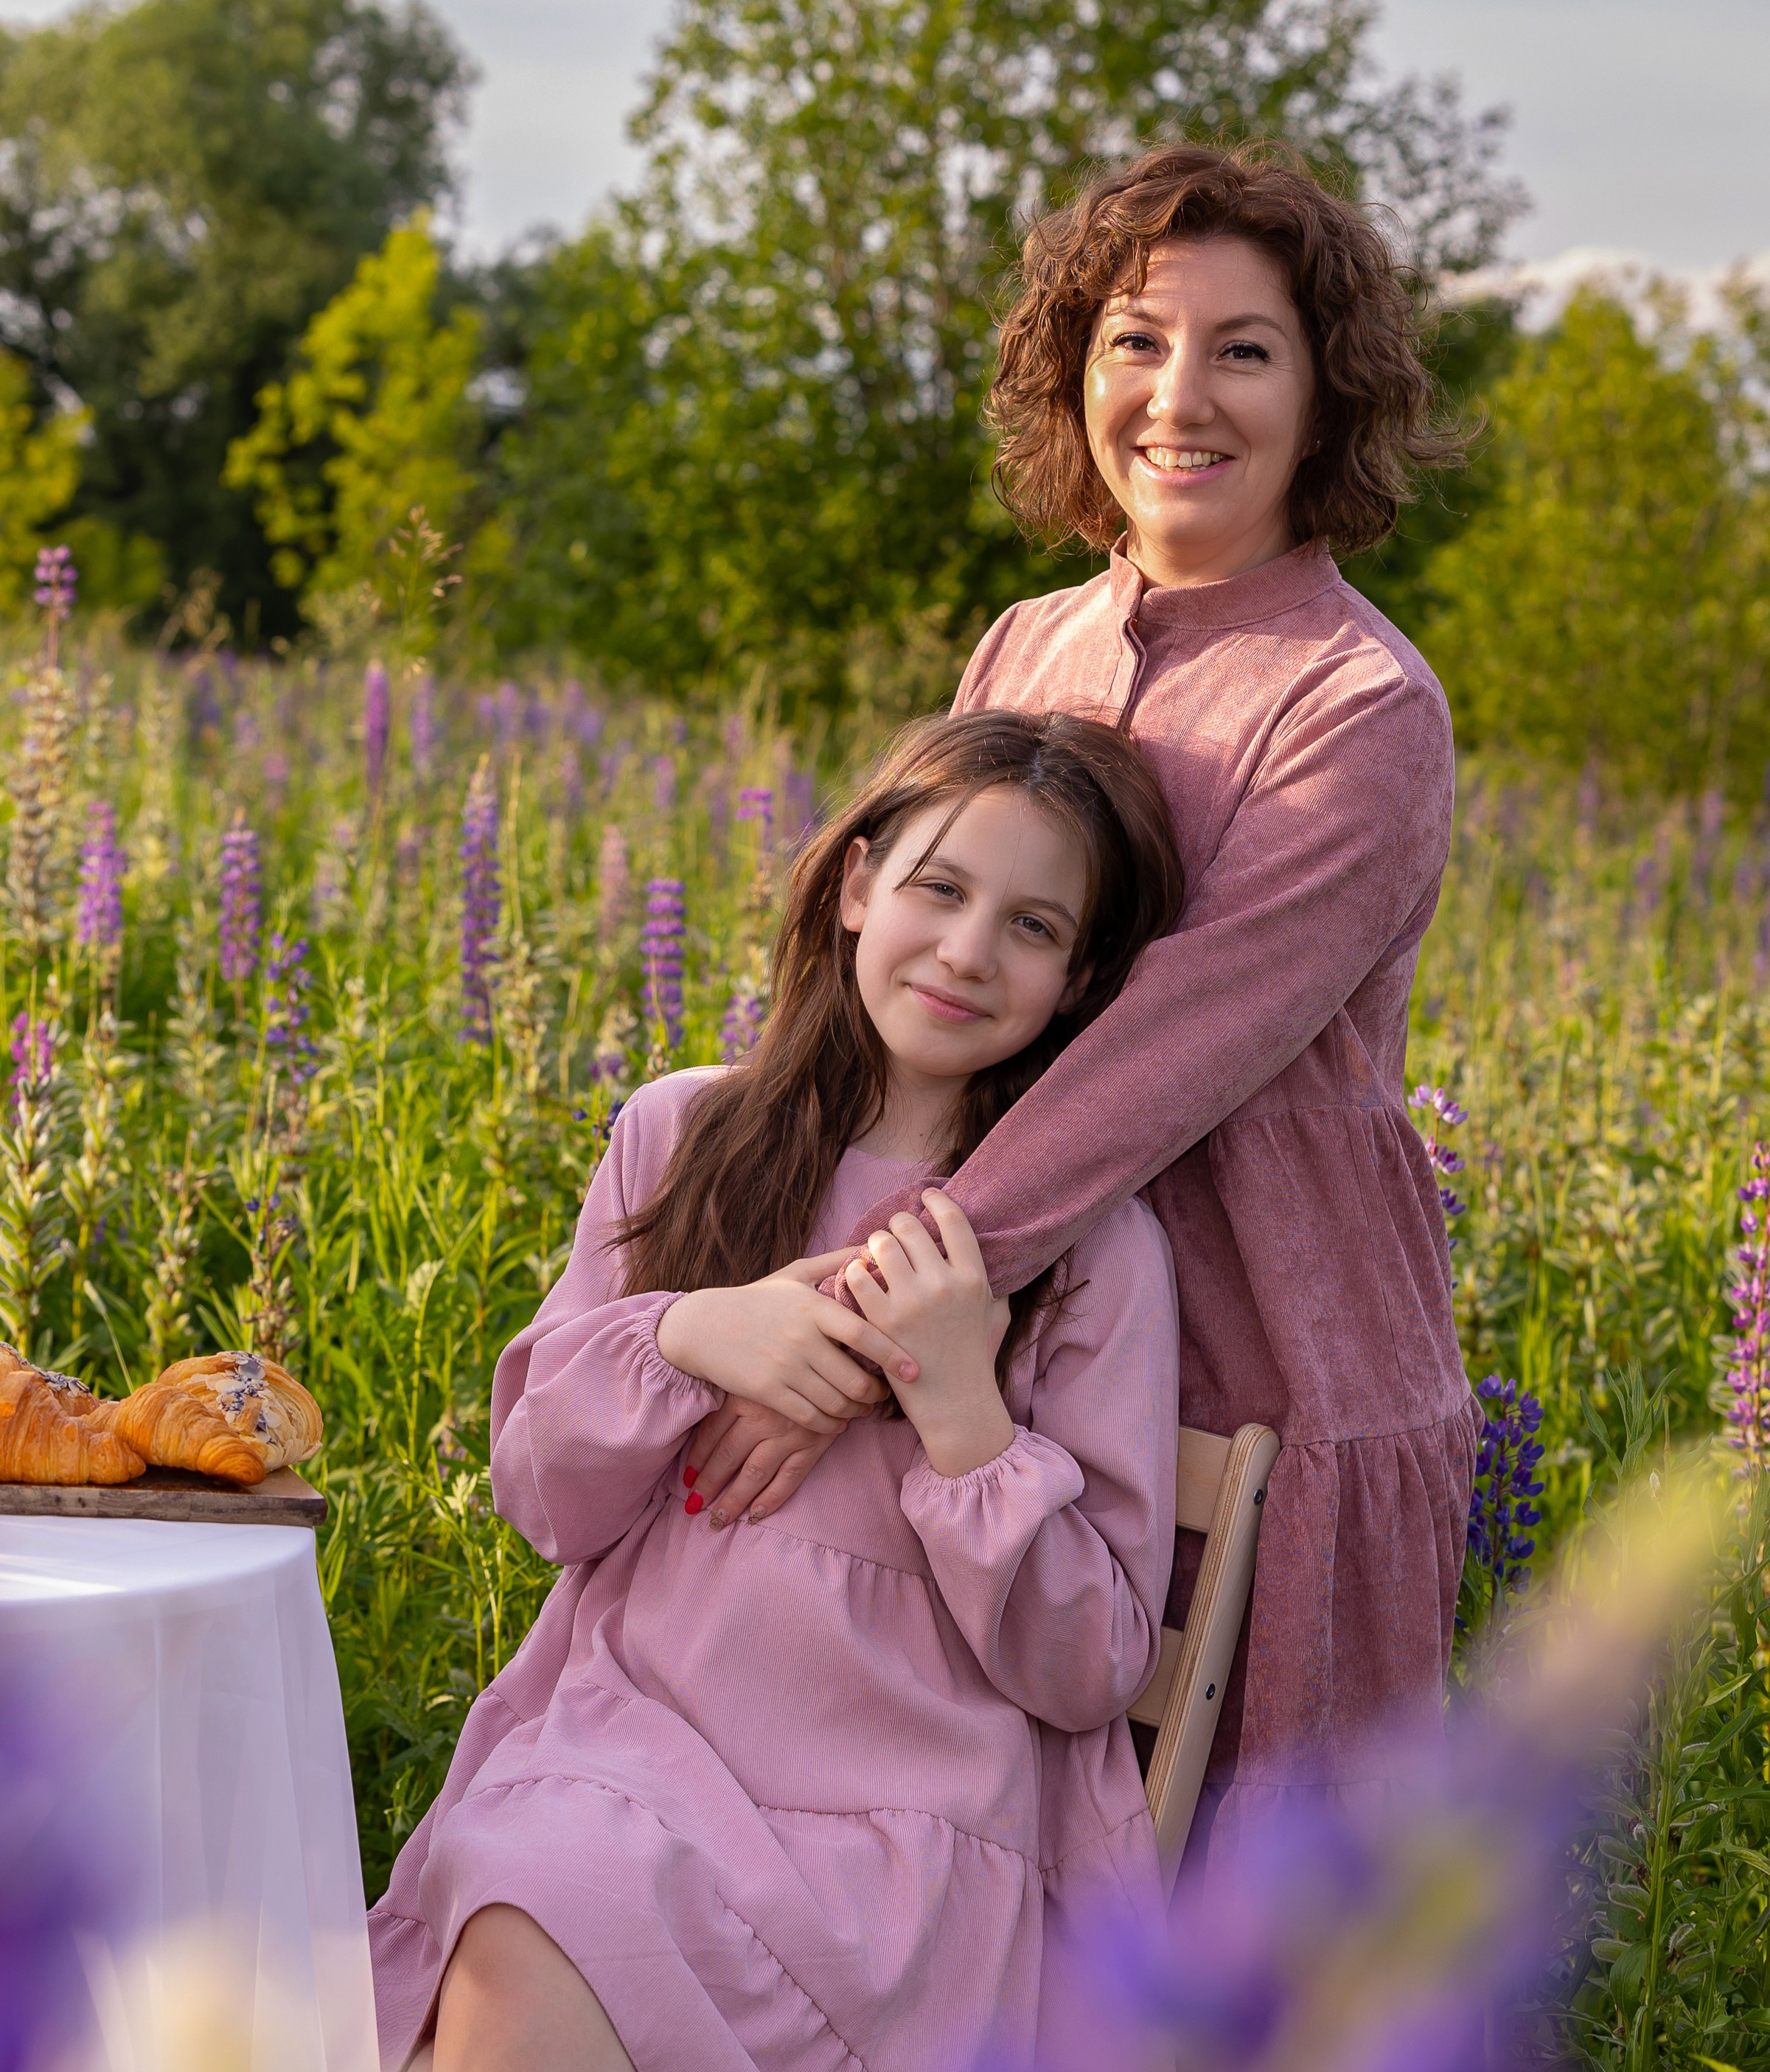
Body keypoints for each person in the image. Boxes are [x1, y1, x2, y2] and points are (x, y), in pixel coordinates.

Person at [687, 142, 1478, 1847]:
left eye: (1244, 349)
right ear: (1076, 369)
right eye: (1135, 338)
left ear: (1326, 392)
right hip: (984, 1335)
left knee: (1219, 1929)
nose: (1178, 396)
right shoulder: (1025, 641)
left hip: (1261, 1355)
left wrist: (850, 1322)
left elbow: (1156, 1057)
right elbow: (911, 969)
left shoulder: (1363, 704)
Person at [369, 709, 1187, 2072]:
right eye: (939, 889)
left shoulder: (1095, 1250)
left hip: (899, 1826)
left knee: (546, 1908)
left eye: (1034, 928)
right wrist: (692, 1331)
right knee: (533, 1888)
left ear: (1082, 977)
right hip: (634, 1744)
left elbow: (1088, 1664)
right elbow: (544, 1502)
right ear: (857, 883)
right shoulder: (681, 1134)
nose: (970, 951)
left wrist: (961, 1414)